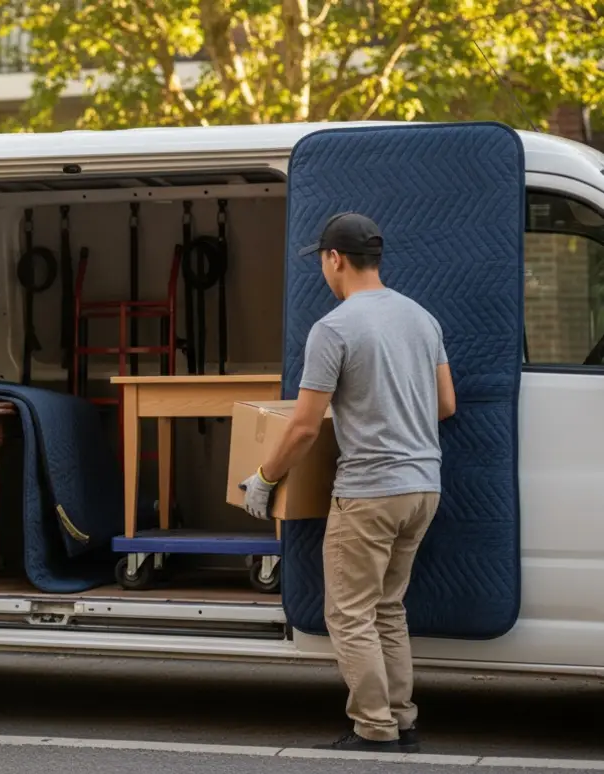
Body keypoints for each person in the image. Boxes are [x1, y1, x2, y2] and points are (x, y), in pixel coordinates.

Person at [240, 212, 457, 754]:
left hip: (370, 491)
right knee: (388, 607)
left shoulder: (334, 328)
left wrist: (264, 478)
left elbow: (306, 426)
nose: (322, 268)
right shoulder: (421, 318)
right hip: (423, 486)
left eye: (321, 259)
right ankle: (401, 718)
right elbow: (446, 405)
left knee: (350, 613)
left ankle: (374, 727)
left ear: (335, 258)